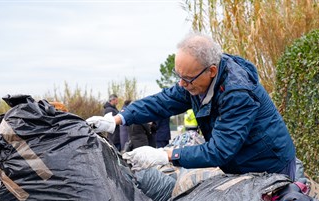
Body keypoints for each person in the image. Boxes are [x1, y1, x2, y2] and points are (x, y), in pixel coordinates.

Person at [101, 32, 296, 176]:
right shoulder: (194, 83)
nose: (182, 84)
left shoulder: (237, 93)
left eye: (187, 79)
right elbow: (162, 101)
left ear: (211, 71)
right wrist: (119, 118)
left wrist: (167, 155)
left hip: (268, 164)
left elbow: (220, 150)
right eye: (179, 76)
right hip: (239, 163)